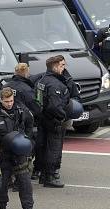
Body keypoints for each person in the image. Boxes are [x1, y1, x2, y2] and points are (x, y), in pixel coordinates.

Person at [0, 87, 36, 209]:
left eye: (11, 100)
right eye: (7, 101)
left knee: (25, 182)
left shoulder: (21, 110)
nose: (9, 103)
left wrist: (28, 140)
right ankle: (2, 208)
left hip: (19, 153)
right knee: (2, 184)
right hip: (2, 154)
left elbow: (30, 124)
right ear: (1, 100)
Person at [34, 55, 72, 188]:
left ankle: (43, 174)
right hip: (53, 120)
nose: (64, 68)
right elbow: (54, 106)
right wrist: (63, 116)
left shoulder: (42, 80)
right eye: (62, 65)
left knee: (44, 146)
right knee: (53, 148)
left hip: (43, 118)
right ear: (55, 66)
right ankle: (49, 176)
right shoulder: (55, 84)